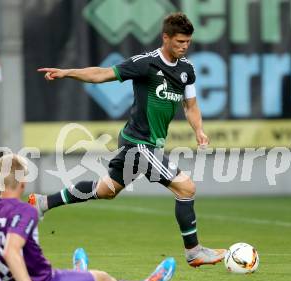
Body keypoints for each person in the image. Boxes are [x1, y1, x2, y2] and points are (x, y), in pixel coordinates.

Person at [32, 12, 225, 267]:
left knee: (106, 190)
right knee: (186, 188)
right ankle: (194, 251)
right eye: (179, 42)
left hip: (146, 143)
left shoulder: (186, 70)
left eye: (187, 42)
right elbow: (101, 74)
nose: (184, 47)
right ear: (165, 38)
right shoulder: (146, 64)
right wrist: (67, 72)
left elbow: (191, 106)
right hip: (138, 143)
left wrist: (198, 130)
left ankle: (42, 203)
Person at [0, 154, 176, 281]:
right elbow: (11, 251)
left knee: (68, 275)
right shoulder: (27, 211)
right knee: (104, 280)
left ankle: (79, 273)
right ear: (23, 183)